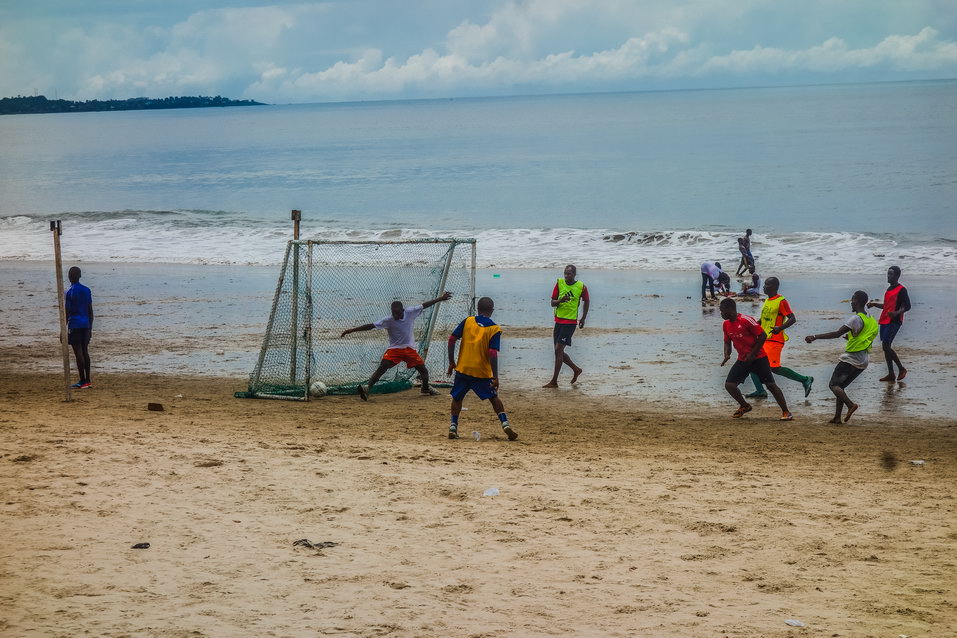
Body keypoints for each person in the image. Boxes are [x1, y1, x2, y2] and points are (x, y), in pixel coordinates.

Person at [341, 292, 452, 400]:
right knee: (382, 367)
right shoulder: (388, 320)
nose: (396, 316)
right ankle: (367, 388)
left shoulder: (410, 312)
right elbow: (371, 326)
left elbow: (425, 305)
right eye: (394, 313)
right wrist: (352, 330)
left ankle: (425, 388)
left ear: (403, 310)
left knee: (423, 370)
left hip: (409, 349)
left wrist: (441, 298)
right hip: (395, 349)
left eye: (398, 313)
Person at [446, 297, 517, 441]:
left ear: (477, 309)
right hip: (481, 372)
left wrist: (452, 362)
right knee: (493, 397)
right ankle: (505, 424)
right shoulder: (494, 328)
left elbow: (452, 339)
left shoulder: (468, 321)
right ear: (492, 310)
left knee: (457, 398)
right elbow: (492, 353)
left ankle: (453, 426)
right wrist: (495, 377)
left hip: (463, 368)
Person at [805, 290, 878, 424]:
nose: (851, 302)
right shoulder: (871, 319)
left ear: (856, 301)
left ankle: (850, 405)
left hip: (851, 359)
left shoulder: (855, 318)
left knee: (833, 385)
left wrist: (814, 337)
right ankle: (837, 417)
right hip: (864, 360)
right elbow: (863, 335)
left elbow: (836, 333)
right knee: (840, 387)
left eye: (852, 300)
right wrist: (849, 336)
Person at [719, 297, 792, 420]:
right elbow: (727, 342)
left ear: (730, 310)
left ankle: (786, 412)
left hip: (759, 358)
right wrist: (727, 354)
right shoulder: (726, 324)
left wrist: (753, 353)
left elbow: (762, 335)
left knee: (771, 386)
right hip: (743, 359)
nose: (721, 313)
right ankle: (744, 405)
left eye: (722, 311)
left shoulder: (746, 320)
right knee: (729, 385)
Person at [745, 276, 814, 399]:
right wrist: (754, 327)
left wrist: (780, 328)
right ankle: (760, 391)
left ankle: (805, 379)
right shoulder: (767, 300)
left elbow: (792, 318)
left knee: (774, 368)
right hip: (764, 339)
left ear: (775, 287)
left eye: (767, 285)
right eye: (764, 284)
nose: (764, 287)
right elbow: (765, 319)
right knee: (752, 362)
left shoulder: (781, 301)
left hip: (775, 339)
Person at [543, 264, 589, 388]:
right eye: (565, 273)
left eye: (569, 274)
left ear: (574, 274)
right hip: (558, 322)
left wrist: (583, 318)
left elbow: (587, 301)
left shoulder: (581, 287)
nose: (566, 276)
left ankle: (554, 381)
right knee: (558, 352)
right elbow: (552, 303)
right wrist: (560, 300)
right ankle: (576, 369)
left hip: (570, 323)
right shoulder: (559, 283)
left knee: (558, 350)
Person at [867, 266, 911, 382]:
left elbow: (907, 306)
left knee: (886, 346)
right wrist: (874, 304)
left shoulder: (902, 289)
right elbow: (886, 306)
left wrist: (896, 313)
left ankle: (901, 369)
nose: (888, 276)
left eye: (891, 274)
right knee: (886, 347)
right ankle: (891, 374)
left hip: (894, 321)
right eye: (888, 274)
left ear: (897, 276)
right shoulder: (889, 289)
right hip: (885, 320)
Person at [64, 266, 93, 389]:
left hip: (75, 325)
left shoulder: (69, 292)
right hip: (86, 324)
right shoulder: (87, 290)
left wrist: (63, 330)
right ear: (80, 276)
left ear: (69, 277)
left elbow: (67, 313)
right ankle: (88, 380)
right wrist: (90, 328)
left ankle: (82, 381)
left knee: (78, 353)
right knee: (85, 351)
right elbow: (90, 311)